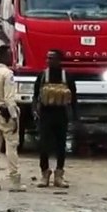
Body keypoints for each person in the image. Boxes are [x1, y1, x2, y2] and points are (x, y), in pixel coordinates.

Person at [34, 50, 77, 189]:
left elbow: (74, 98)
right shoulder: (42, 76)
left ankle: (59, 175)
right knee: (44, 145)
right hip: (46, 115)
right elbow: (35, 96)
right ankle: (44, 174)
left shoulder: (67, 77)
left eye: (52, 58)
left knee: (61, 146)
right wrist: (35, 110)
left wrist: (75, 116)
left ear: (59, 60)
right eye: (48, 58)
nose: (49, 61)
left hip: (61, 115)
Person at [0, 45, 23, 192]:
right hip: (6, 114)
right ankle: (14, 181)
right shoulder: (8, 74)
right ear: (4, 57)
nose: (11, 57)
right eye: (9, 55)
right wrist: (14, 117)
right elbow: (9, 99)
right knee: (11, 147)